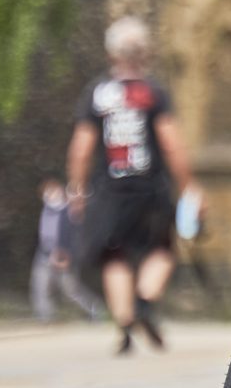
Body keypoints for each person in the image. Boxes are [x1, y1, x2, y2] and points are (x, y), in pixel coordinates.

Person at [67, 17, 197, 354]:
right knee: (162, 249)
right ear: (146, 54)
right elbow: (171, 143)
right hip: (150, 188)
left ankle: (125, 327)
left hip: (110, 190)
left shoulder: (97, 93)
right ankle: (144, 301)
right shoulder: (153, 92)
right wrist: (188, 186)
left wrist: (77, 191)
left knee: (115, 256)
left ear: (112, 55)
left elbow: (81, 148)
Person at [30, 179, 100, 323]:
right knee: (40, 286)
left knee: (70, 291)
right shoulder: (45, 211)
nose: (50, 196)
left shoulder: (70, 212)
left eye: (53, 192)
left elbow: (76, 237)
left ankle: (93, 309)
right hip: (44, 254)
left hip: (64, 256)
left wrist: (69, 256)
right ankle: (45, 317)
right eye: (47, 193)